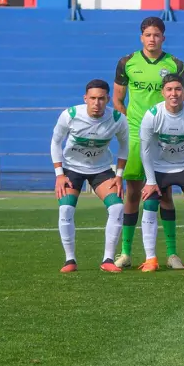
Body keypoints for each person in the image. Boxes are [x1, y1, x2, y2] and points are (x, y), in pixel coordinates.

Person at [112, 17, 184, 270]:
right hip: (136, 134)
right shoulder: (127, 62)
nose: (152, 39)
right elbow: (117, 100)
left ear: (163, 37)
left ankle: (171, 253)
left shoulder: (175, 64)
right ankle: (125, 252)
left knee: (165, 193)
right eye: (147, 34)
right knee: (134, 192)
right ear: (141, 37)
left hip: (164, 134)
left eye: (157, 35)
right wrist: (129, 126)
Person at [50, 79, 129, 273]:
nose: (96, 103)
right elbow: (55, 142)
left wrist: (119, 175)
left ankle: (108, 259)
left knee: (118, 207)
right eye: (92, 98)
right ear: (85, 98)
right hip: (71, 168)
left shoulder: (118, 119)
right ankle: (70, 260)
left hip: (101, 169)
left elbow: (125, 146)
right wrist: (59, 174)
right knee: (66, 209)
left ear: (108, 99)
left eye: (101, 99)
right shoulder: (71, 115)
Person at [137, 74, 184, 272]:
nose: (174, 94)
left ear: (183, 92)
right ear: (163, 92)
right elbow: (144, 150)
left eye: (178, 89)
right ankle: (151, 259)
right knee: (150, 203)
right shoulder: (152, 115)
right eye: (169, 89)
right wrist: (151, 181)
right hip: (159, 167)